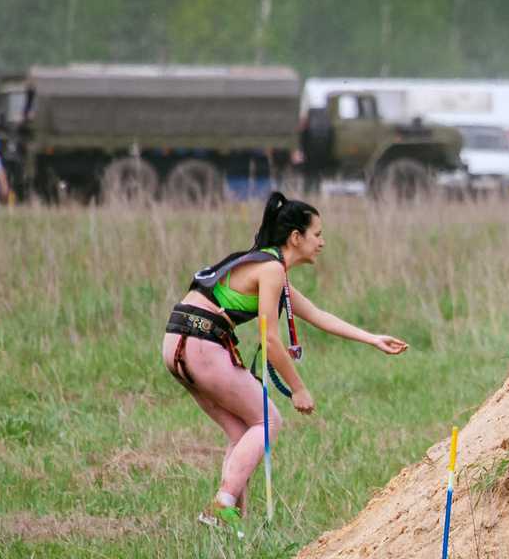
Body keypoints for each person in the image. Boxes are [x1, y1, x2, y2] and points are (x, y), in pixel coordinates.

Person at [162, 192, 410, 531]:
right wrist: (298, 388)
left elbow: (317, 314)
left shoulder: (264, 264)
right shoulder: (271, 269)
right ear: (296, 237)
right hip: (202, 343)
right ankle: (222, 505)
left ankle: (230, 525)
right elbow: (270, 339)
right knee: (268, 421)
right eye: (317, 234)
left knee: (243, 431)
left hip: (177, 341)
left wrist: (372, 338)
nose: (322, 242)